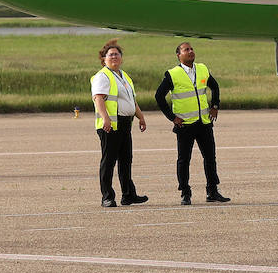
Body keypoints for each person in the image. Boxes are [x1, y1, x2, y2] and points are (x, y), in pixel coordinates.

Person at [153, 41, 230, 205]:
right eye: (186, 50)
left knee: (210, 158)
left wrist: (215, 106)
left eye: (191, 49)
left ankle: (212, 191)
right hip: (185, 125)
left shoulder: (202, 68)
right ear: (178, 55)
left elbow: (215, 87)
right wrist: (172, 117)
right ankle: (185, 193)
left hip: (204, 123)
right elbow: (159, 96)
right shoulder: (172, 74)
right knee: (184, 160)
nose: (190, 51)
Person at [91, 40, 147, 208]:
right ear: (104, 59)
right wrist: (106, 118)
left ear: (121, 58)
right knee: (108, 162)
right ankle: (107, 196)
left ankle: (128, 195)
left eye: (117, 54)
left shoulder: (124, 76)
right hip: (110, 125)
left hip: (125, 123)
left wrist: (141, 117)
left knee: (126, 160)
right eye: (110, 55)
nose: (114, 57)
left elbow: (132, 100)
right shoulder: (102, 76)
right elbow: (99, 98)